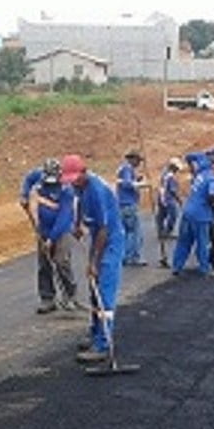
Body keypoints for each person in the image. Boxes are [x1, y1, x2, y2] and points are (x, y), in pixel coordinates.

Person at [62, 154, 126, 363]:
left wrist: (94, 263)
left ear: (84, 171)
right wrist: (78, 223)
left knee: (104, 293)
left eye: (75, 178)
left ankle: (103, 345)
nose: (73, 183)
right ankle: (96, 333)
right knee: (93, 290)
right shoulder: (80, 186)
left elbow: (104, 231)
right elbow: (79, 201)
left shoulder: (98, 190)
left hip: (110, 241)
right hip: (98, 237)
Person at [28, 158, 79, 313]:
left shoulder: (66, 190)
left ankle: (70, 295)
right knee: (44, 264)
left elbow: (63, 217)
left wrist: (51, 239)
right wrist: (38, 227)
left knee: (61, 261)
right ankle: (47, 298)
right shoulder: (38, 188)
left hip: (62, 230)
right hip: (44, 230)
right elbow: (33, 206)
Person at [172, 150, 214, 277]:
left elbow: (189, 156)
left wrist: (192, 168)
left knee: (184, 241)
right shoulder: (212, 178)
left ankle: (176, 267)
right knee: (203, 243)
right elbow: (212, 195)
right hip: (201, 215)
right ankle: (205, 268)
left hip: (188, 211)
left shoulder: (200, 172)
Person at [115, 149, 149, 266]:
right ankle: (133, 257)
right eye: (138, 160)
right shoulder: (127, 168)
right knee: (134, 232)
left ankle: (124, 255)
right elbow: (127, 184)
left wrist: (136, 179)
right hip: (128, 204)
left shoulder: (122, 168)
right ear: (133, 159)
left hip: (122, 204)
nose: (139, 163)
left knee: (126, 232)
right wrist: (142, 184)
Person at [155, 157, 182, 266]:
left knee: (161, 216)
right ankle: (167, 231)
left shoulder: (164, 174)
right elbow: (173, 190)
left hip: (161, 197)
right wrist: (179, 200)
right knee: (173, 215)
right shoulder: (170, 177)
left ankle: (161, 231)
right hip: (168, 199)